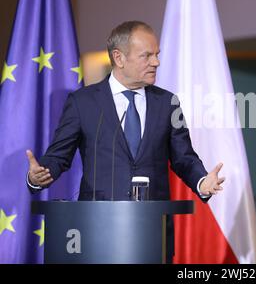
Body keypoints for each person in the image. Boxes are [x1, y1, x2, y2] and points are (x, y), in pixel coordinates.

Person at [26, 21, 225, 259]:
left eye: (157, 55)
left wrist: (202, 182)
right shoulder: (83, 103)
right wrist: (38, 176)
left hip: (153, 233)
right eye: (147, 56)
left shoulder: (168, 103)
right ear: (119, 58)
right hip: (96, 231)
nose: (156, 62)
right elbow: (59, 156)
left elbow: (184, 157)